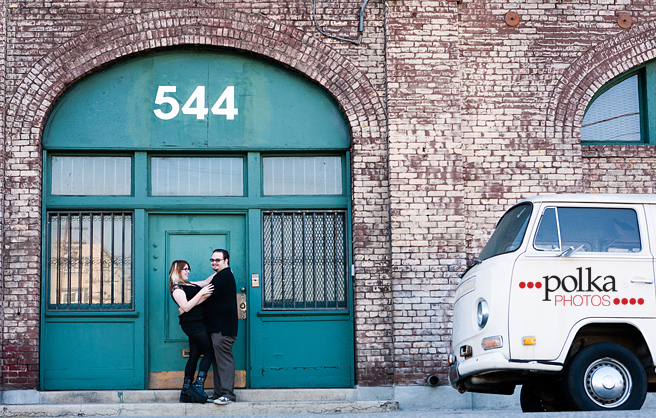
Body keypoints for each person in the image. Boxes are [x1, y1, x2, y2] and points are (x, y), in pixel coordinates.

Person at [196, 249, 239, 405]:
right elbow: (203, 284)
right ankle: (219, 393)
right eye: (212, 260)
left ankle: (228, 394)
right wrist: (184, 284)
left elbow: (206, 294)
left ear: (226, 261)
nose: (214, 262)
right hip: (216, 327)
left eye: (218, 260)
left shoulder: (225, 275)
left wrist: (188, 305)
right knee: (218, 360)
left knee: (224, 360)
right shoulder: (219, 276)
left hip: (224, 328)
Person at [169, 260, 214, 403]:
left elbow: (206, 281)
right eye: (184, 269)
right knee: (209, 351)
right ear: (177, 271)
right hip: (192, 323)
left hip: (199, 321)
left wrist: (222, 272)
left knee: (194, 354)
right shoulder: (177, 289)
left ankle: (185, 391)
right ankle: (198, 386)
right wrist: (201, 293)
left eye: (189, 268)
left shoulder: (189, 284)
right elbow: (186, 307)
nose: (188, 271)